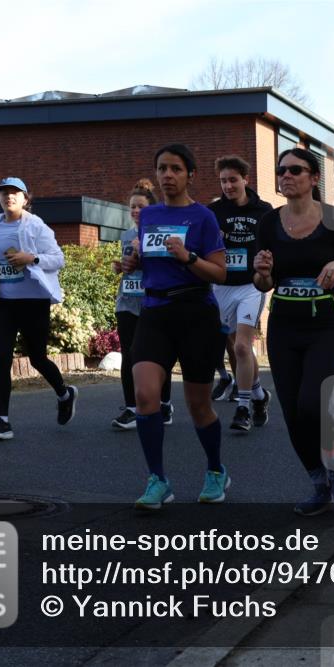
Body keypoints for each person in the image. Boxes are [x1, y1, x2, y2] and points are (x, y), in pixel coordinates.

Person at [119, 143, 229, 510]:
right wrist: (133, 264)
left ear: (190, 175)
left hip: (196, 313)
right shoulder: (148, 215)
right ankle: (158, 480)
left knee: (198, 405)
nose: (168, 175)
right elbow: (149, 260)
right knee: (145, 395)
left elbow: (220, 273)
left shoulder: (204, 217)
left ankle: (216, 470)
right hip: (155, 312)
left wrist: (188, 257)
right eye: (162, 168)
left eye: (176, 169)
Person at [253, 148, 334, 516]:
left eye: (295, 170)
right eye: (281, 170)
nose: (286, 176)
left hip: (324, 325)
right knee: (292, 411)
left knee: (311, 402)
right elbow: (262, 283)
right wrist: (262, 271)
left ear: (314, 178)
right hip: (284, 325)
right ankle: (319, 483)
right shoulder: (268, 223)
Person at [0, 177, 77, 442]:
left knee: (37, 358)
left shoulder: (37, 226)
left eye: (15, 193)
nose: (8, 196)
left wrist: (31, 258)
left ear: (26, 199)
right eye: (3, 193)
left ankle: (65, 394)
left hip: (33, 302)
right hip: (3, 303)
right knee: (1, 357)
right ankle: (2, 421)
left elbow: (58, 259)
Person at [208, 155, 273, 432]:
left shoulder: (264, 210)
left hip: (251, 285)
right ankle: (259, 395)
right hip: (221, 285)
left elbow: (273, 246)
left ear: (246, 179)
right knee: (235, 346)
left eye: (233, 180)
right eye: (223, 181)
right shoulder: (213, 212)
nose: (228, 186)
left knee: (243, 347)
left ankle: (243, 408)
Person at [110, 179, 173, 430]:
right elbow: (128, 268)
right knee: (129, 354)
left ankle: (164, 403)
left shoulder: (160, 233)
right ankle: (131, 408)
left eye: (141, 207)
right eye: (132, 207)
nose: (136, 211)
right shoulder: (127, 235)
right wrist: (120, 267)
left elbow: (165, 267)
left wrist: (143, 252)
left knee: (158, 353)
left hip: (153, 301)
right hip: (127, 300)